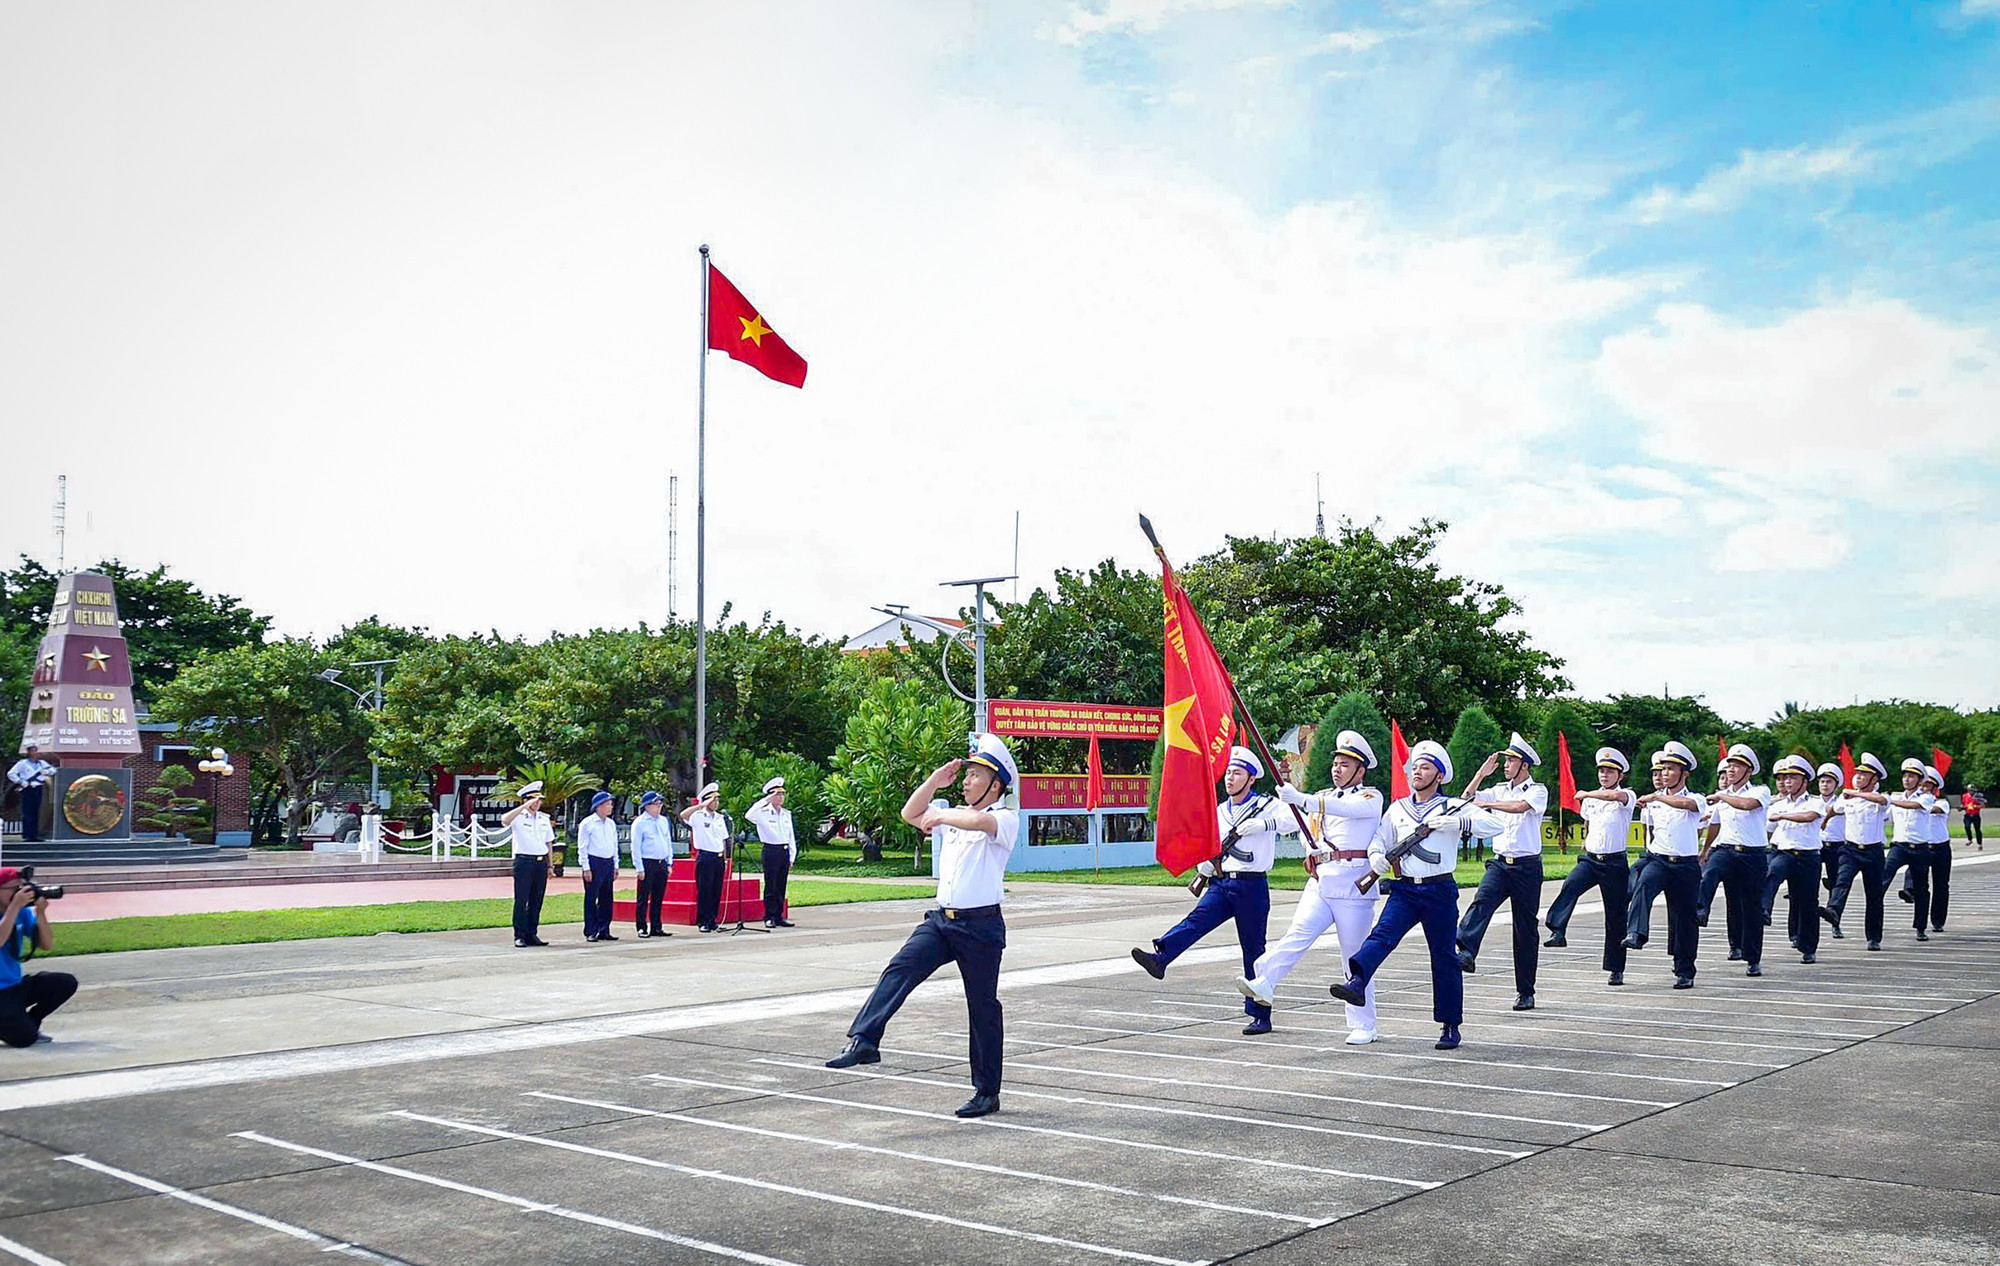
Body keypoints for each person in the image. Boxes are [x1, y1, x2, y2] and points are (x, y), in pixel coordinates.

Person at [826, 733, 1019, 1118]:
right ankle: (865, 1039)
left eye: (975, 775)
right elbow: (910, 814)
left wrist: (941, 813)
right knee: (901, 967)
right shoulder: (953, 817)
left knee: (982, 1007)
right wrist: (934, 782)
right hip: (942, 922)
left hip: (980, 927)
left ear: (995, 785)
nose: (966, 781)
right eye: (966, 776)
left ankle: (986, 1092)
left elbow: (977, 820)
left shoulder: (1003, 818)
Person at [1330, 740, 1502, 1050]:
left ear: (1439, 775)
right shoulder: (1398, 808)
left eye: (1425, 767)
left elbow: (1495, 825)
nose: (1417, 772)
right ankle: (1357, 980)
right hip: (1406, 888)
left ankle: (1450, 1025)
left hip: (1439, 889)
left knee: (1444, 957)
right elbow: (1379, 840)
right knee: (1381, 936)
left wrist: (1458, 821)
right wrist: (1377, 859)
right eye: (1415, 767)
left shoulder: (1451, 806)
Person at [1131, 745, 1295, 1035]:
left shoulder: (1267, 806)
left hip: (1251, 885)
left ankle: (1260, 1016)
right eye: (1228, 773)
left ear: (1251, 778)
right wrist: (1205, 867)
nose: (1230, 778)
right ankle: (1161, 957)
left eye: (1237, 773)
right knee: (1195, 922)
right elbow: (1212, 844)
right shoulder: (1219, 810)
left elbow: (1294, 820)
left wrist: (1265, 824)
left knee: (1253, 951)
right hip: (1222, 882)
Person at [1240, 730, 1385, 1044]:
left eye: (1346, 764)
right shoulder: (1324, 796)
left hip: (1353, 885)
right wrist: (1310, 849)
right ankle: (1265, 980)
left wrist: (1301, 798)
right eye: (1336, 762)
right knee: (1298, 933)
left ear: (1360, 771)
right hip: (1322, 880)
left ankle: (1364, 1025)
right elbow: (1312, 831)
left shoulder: (1370, 797)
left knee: (1354, 957)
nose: (1337, 769)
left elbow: (1347, 811)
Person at [1454, 732, 1549, 1010]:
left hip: (1527, 868)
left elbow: (1520, 808)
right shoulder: (1498, 788)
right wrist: (1480, 775)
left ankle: (1526, 991)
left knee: (1525, 929)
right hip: (1499, 863)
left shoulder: (1537, 790)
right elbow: (1467, 798)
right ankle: (1467, 950)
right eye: (1506, 760)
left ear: (1525, 765)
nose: (1506, 764)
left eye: (1511, 760)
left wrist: (1489, 804)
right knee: (1482, 901)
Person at [1543, 747, 1636, 986]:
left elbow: (1615, 797)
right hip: (1592, 859)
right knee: (1570, 885)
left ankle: (1616, 968)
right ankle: (1557, 929)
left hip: (1614, 862)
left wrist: (1588, 793)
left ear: (1620, 775)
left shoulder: (1627, 795)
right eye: (1602, 771)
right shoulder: (1591, 800)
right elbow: (1588, 820)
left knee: (1615, 916)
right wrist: (1587, 837)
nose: (1604, 775)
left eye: (1609, 771)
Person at [1632, 742, 1706, 989]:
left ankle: (1685, 970)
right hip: (1659, 859)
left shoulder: (1697, 799)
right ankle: (1636, 932)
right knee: (1644, 884)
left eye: (1671, 769)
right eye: (1663, 769)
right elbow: (1649, 830)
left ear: (1684, 774)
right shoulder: (1652, 802)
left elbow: (1686, 806)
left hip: (1685, 865)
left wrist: (1657, 797)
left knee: (1684, 919)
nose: (1664, 773)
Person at [1702, 743, 1772, 975]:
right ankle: (1700, 909)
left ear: (1749, 771)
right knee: (1710, 872)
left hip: (1752, 855)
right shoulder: (1725, 796)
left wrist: (1722, 795)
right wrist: (1706, 848)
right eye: (1729, 765)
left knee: (1750, 908)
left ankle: (1752, 958)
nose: (1731, 770)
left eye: (1738, 766)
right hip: (1726, 850)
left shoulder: (1760, 791)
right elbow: (1715, 824)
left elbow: (1748, 805)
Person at [1823, 753, 1891, 950]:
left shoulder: (1879, 798)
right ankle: (1833, 911)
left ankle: (1874, 937)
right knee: (1841, 880)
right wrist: (1825, 821)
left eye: (1864, 775)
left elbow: (1880, 800)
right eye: (1858, 774)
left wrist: (1855, 793)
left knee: (1874, 895)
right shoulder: (1847, 799)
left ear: (1874, 779)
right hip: (1850, 849)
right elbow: (1835, 809)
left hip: (1873, 852)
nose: (1858, 777)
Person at [0, 868, 75, 1047]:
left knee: (65, 982)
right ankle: (21, 1028)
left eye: (21, 888)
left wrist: (40, 913)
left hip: (15, 985)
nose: (19, 893)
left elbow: (46, 944)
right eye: (13, 889)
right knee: (24, 1040)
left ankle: (30, 1024)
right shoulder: (15, 909)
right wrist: (14, 907)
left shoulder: (22, 912)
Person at [1766, 755, 1823, 963]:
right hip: (1785, 853)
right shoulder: (1777, 804)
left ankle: (1808, 947)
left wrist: (1783, 816)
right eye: (1786, 778)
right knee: (1772, 873)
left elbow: (1809, 817)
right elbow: (1767, 831)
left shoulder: (1815, 802)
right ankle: (1765, 909)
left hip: (1808, 857)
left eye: (1793, 778)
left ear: (1805, 781)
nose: (1788, 782)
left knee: (1807, 902)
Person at [1883, 758, 1934, 942]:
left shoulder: (1926, 797)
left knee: (1921, 888)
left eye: (1911, 776)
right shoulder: (1895, 797)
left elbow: (1913, 805)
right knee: (1882, 878)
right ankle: (1875, 921)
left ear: (1920, 781)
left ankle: (1920, 927)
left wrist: (1891, 801)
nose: (1906, 779)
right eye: (1905, 775)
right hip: (1899, 846)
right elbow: (1883, 817)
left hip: (1920, 848)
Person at [501, 781, 553, 947]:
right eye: (533, 800)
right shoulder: (518, 817)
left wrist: (550, 865)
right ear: (525, 800)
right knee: (522, 899)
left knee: (536, 900)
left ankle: (532, 933)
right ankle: (519, 935)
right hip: (524, 861)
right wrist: (523, 807)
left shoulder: (544, 819)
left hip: (540, 862)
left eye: (539, 800)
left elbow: (548, 843)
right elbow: (505, 820)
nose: (537, 803)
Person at [746, 777, 797, 928]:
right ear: (770, 796)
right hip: (771, 850)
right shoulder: (762, 813)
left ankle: (779, 915)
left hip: (784, 850)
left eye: (782, 794)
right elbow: (749, 815)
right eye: (778, 794)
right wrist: (766, 800)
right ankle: (769, 916)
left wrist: (792, 856)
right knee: (771, 884)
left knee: (781, 884)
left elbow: (790, 836)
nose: (781, 797)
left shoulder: (786, 814)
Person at [681, 784, 730, 933]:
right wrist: (700, 805)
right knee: (705, 890)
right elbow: (683, 815)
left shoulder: (720, 818)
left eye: (717, 800)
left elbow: (723, 839)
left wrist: (726, 858)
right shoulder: (698, 816)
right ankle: (703, 921)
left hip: (718, 857)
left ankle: (712, 919)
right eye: (713, 800)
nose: (716, 803)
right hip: (706, 856)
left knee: (716, 890)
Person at [576, 790, 620, 942]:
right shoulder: (588, 823)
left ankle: (604, 929)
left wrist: (616, 865)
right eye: (608, 804)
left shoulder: (611, 824)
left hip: (608, 862)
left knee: (607, 898)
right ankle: (591, 930)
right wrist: (585, 867)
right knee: (591, 897)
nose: (611, 807)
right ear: (599, 806)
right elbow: (583, 847)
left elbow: (614, 845)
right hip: (594, 861)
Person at [629, 791, 674, 938]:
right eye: (655, 804)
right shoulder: (640, 823)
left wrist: (669, 862)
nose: (658, 807)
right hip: (647, 862)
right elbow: (635, 846)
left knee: (658, 896)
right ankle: (641, 926)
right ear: (647, 806)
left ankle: (656, 926)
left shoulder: (663, 821)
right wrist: (639, 867)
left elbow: (667, 841)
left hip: (661, 861)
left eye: (660, 804)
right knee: (643, 896)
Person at [1920, 766, 1951, 933]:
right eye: (1921, 784)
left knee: (1941, 885)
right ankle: (1921, 923)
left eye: (1926, 785)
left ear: (1934, 788)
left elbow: (1934, 809)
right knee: (1921, 885)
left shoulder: (1941, 803)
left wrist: (1918, 805)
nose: (1923, 788)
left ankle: (1938, 920)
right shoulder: (1914, 802)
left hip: (1940, 848)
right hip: (1923, 847)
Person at [1815, 763, 1847, 909]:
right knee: (1810, 880)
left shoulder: (1843, 802)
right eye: (1822, 781)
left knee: (1835, 883)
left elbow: (1835, 809)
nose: (1825, 785)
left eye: (1829, 782)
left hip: (1836, 846)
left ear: (1836, 785)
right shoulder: (1811, 801)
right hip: (1817, 845)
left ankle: (1834, 917)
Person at [7, 748, 55, 843]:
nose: (36, 753)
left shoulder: (41, 763)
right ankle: (27, 835)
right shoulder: (23, 763)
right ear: (29, 752)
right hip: (28, 788)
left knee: (36, 812)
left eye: (36, 751)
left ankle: (35, 834)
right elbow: (11, 773)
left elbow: (53, 770)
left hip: (38, 788)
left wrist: (46, 772)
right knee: (27, 812)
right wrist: (20, 781)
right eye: (33, 751)